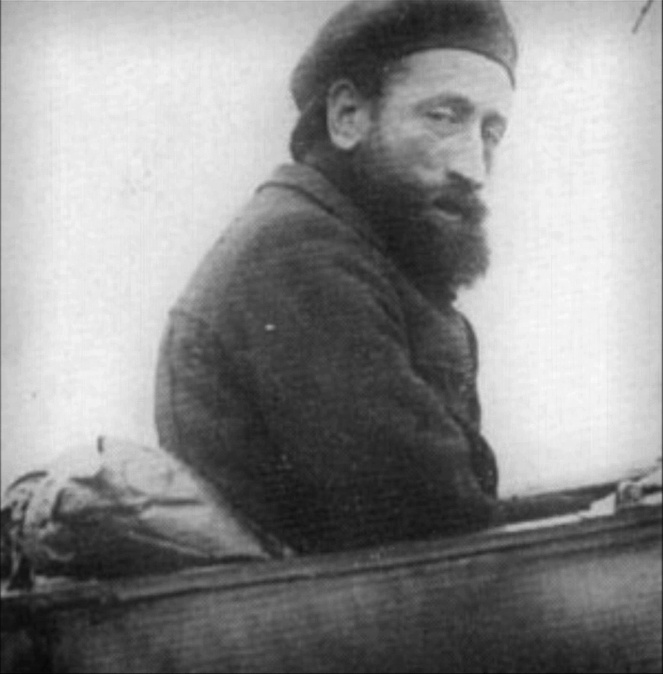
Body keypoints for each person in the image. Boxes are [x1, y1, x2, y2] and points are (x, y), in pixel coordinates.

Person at [154, 0, 593, 555]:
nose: (473, 168)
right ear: (348, 116)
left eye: (491, 131)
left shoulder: (348, 247)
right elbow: (431, 521)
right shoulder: (300, 254)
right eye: (444, 117)